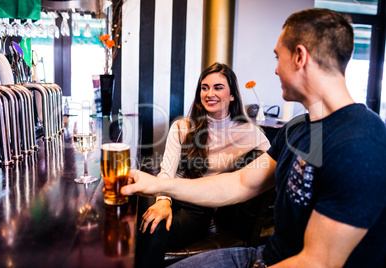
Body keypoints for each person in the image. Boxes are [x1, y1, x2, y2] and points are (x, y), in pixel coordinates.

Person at [124, 8, 386, 268]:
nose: (274, 70)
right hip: (264, 256)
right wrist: (158, 187)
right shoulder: (297, 128)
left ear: (299, 57)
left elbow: (318, 262)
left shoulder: (362, 141)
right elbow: (241, 183)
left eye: (277, 57)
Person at [136, 62, 270, 267]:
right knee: (132, 218)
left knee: (152, 229)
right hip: (171, 192)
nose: (209, 93)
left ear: (232, 94)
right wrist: (163, 200)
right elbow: (167, 170)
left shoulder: (249, 132)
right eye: (204, 87)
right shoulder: (182, 126)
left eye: (218, 87)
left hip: (199, 207)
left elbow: (276, 161)